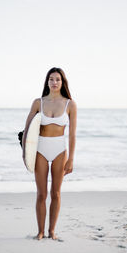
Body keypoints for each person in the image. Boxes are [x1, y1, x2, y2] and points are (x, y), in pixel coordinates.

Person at [22, 67, 77, 240]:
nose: (54, 82)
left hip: (60, 150)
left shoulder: (70, 104)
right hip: (40, 150)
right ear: (47, 82)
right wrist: (25, 153)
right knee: (41, 194)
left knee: (56, 193)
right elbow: (27, 130)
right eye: (51, 79)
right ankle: (40, 231)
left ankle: (52, 231)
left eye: (58, 79)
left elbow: (73, 134)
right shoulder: (38, 102)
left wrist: (71, 159)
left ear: (63, 82)